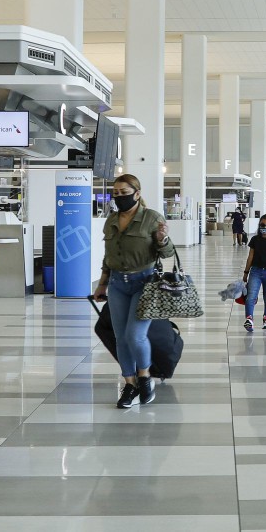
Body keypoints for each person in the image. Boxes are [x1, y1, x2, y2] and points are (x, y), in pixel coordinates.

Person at [92, 174, 175, 408]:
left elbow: (167, 253)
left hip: (144, 284)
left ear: (137, 194)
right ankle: (129, 384)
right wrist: (102, 283)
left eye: (124, 193)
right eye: (115, 193)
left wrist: (162, 239)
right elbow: (109, 256)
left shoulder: (152, 218)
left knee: (135, 335)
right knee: (121, 337)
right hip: (118, 284)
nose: (119, 197)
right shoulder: (112, 220)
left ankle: (144, 377)